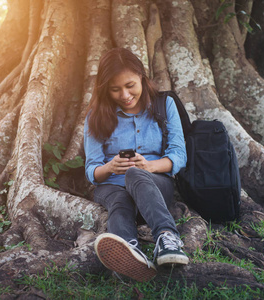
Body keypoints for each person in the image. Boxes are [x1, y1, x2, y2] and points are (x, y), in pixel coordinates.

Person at [83, 48, 188, 282]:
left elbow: (179, 155)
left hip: (154, 183)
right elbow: (92, 170)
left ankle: (168, 238)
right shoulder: (96, 115)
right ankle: (129, 253)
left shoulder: (164, 104)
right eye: (115, 89)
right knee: (120, 201)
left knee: (135, 175)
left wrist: (149, 167)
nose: (125, 94)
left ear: (141, 75)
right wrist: (109, 167)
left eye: (130, 85)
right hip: (111, 185)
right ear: (105, 89)